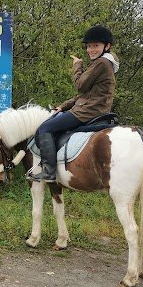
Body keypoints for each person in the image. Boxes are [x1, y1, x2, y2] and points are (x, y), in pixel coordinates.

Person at [27, 24, 119, 182]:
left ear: (107, 46)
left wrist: (77, 65)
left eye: (95, 46)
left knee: (44, 128)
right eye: (89, 46)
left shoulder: (101, 63)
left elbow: (80, 85)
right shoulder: (104, 64)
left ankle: (49, 172)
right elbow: (85, 94)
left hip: (87, 112)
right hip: (91, 108)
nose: (91, 50)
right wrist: (62, 107)